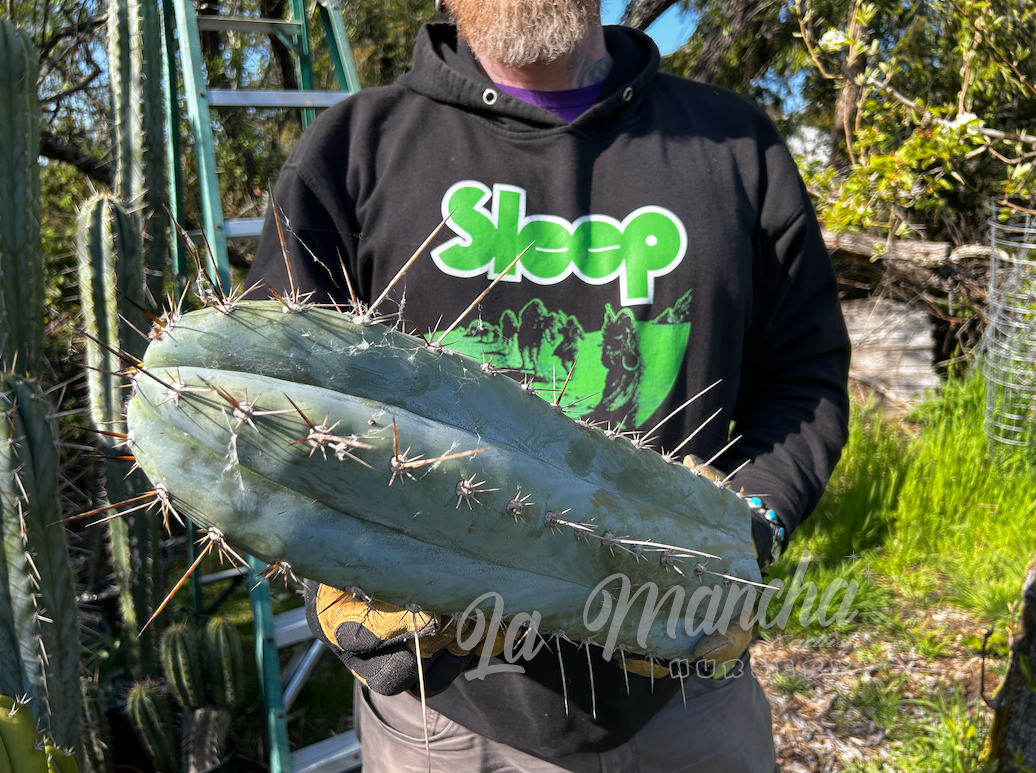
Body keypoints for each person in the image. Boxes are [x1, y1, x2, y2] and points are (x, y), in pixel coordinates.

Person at [246, 1, 851, 770]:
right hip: (451, 715)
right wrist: (338, 566)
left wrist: (745, 527)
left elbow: (805, 379)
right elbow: (276, 413)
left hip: (691, 691)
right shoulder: (351, 151)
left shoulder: (735, 146)